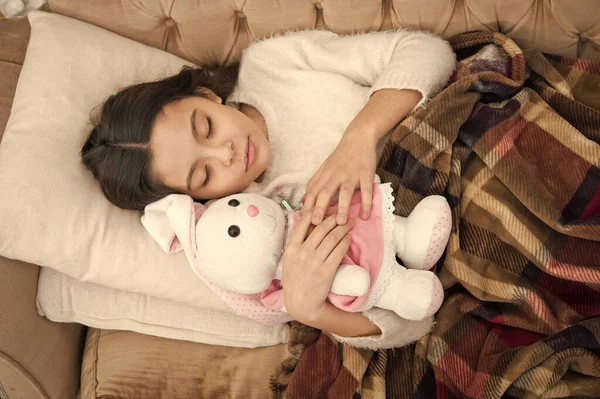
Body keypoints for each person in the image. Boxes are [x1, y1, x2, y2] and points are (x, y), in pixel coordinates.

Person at [82, 28, 457, 349]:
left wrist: (360, 137)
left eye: (207, 126)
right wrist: (310, 310)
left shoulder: (272, 65)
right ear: (196, 200)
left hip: (457, 143)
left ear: (207, 95)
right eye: (204, 175)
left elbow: (428, 52)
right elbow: (416, 322)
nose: (225, 153)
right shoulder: (259, 238)